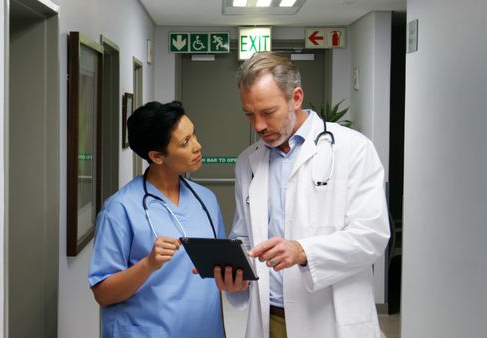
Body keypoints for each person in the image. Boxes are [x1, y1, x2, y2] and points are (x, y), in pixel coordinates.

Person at [215, 51, 390, 338]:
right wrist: (236, 275)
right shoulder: (248, 162)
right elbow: (245, 236)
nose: (258, 125)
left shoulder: (353, 148)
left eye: (268, 113)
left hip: (329, 316)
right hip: (269, 316)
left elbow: (371, 235)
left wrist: (303, 251)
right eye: (249, 114)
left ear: (296, 98)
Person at [88, 101, 226, 338]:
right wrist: (148, 264)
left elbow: (219, 275)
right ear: (157, 156)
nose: (197, 146)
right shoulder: (120, 209)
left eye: (194, 135)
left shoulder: (207, 200)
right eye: (185, 142)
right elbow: (103, 293)